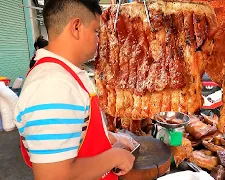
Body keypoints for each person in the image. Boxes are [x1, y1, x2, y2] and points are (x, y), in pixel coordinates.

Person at [14, 1, 136, 180]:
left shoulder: (65, 76)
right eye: (96, 31)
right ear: (76, 27)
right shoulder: (53, 85)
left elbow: (78, 129)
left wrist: (109, 138)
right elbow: (53, 176)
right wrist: (115, 157)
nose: (98, 39)